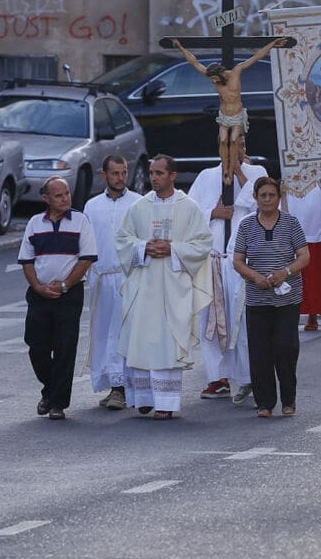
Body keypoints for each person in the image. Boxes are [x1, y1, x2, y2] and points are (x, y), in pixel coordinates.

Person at [116, 155, 213, 420]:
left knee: (168, 340)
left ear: (173, 176)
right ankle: (144, 397)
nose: (154, 177)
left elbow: (203, 243)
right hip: (144, 284)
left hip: (173, 286)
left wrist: (172, 248)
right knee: (142, 337)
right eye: (151, 173)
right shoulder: (139, 207)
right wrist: (144, 246)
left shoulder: (188, 207)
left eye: (159, 173)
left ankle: (166, 402)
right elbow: (123, 240)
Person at [188, 135, 267, 403]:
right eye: (231, 146)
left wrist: (239, 173)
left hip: (241, 261)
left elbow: (263, 204)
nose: (238, 150)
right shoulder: (206, 176)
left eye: (242, 145)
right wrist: (213, 213)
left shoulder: (256, 172)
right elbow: (188, 212)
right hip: (212, 259)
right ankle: (217, 378)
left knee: (241, 322)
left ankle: (248, 377)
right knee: (210, 322)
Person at [18, 177, 97, 420]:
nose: (65, 199)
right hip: (40, 295)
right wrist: (39, 287)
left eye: (67, 194)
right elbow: (27, 261)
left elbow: (87, 259)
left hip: (69, 295)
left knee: (64, 347)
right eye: (59, 195)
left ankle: (57, 403)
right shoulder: (34, 223)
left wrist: (64, 285)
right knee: (36, 345)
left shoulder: (81, 221)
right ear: (47, 199)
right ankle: (50, 389)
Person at [233, 177, 309, 418]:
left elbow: (304, 256)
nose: (267, 199)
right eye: (263, 195)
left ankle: (289, 400)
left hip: (287, 299)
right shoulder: (246, 226)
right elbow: (237, 260)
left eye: (272, 195)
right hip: (257, 299)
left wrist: (284, 273)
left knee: (286, 348)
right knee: (259, 351)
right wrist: (255, 277)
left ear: (278, 197)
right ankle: (264, 402)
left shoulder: (291, 223)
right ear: (255, 197)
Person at [173, 37, 287, 185]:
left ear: (220, 74)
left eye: (214, 78)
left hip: (237, 116)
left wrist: (272, 44)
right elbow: (194, 62)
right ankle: (226, 170)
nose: (213, 82)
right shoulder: (215, 79)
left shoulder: (236, 72)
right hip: (224, 116)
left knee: (233, 140)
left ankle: (232, 168)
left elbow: (256, 57)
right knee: (222, 140)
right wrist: (180, 47)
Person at [83, 155, 141, 410]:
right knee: (105, 334)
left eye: (124, 172)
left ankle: (123, 388)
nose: (120, 178)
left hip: (129, 277)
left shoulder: (139, 203)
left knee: (123, 334)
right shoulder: (92, 206)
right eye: (115, 173)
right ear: (104, 175)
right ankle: (114, 384)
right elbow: (86, 241)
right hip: (101, 277)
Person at [283, 185, 321, 332]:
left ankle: (314, 313)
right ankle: (297, 313)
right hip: (296, 229)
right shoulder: (290, 179)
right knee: (298, 277)